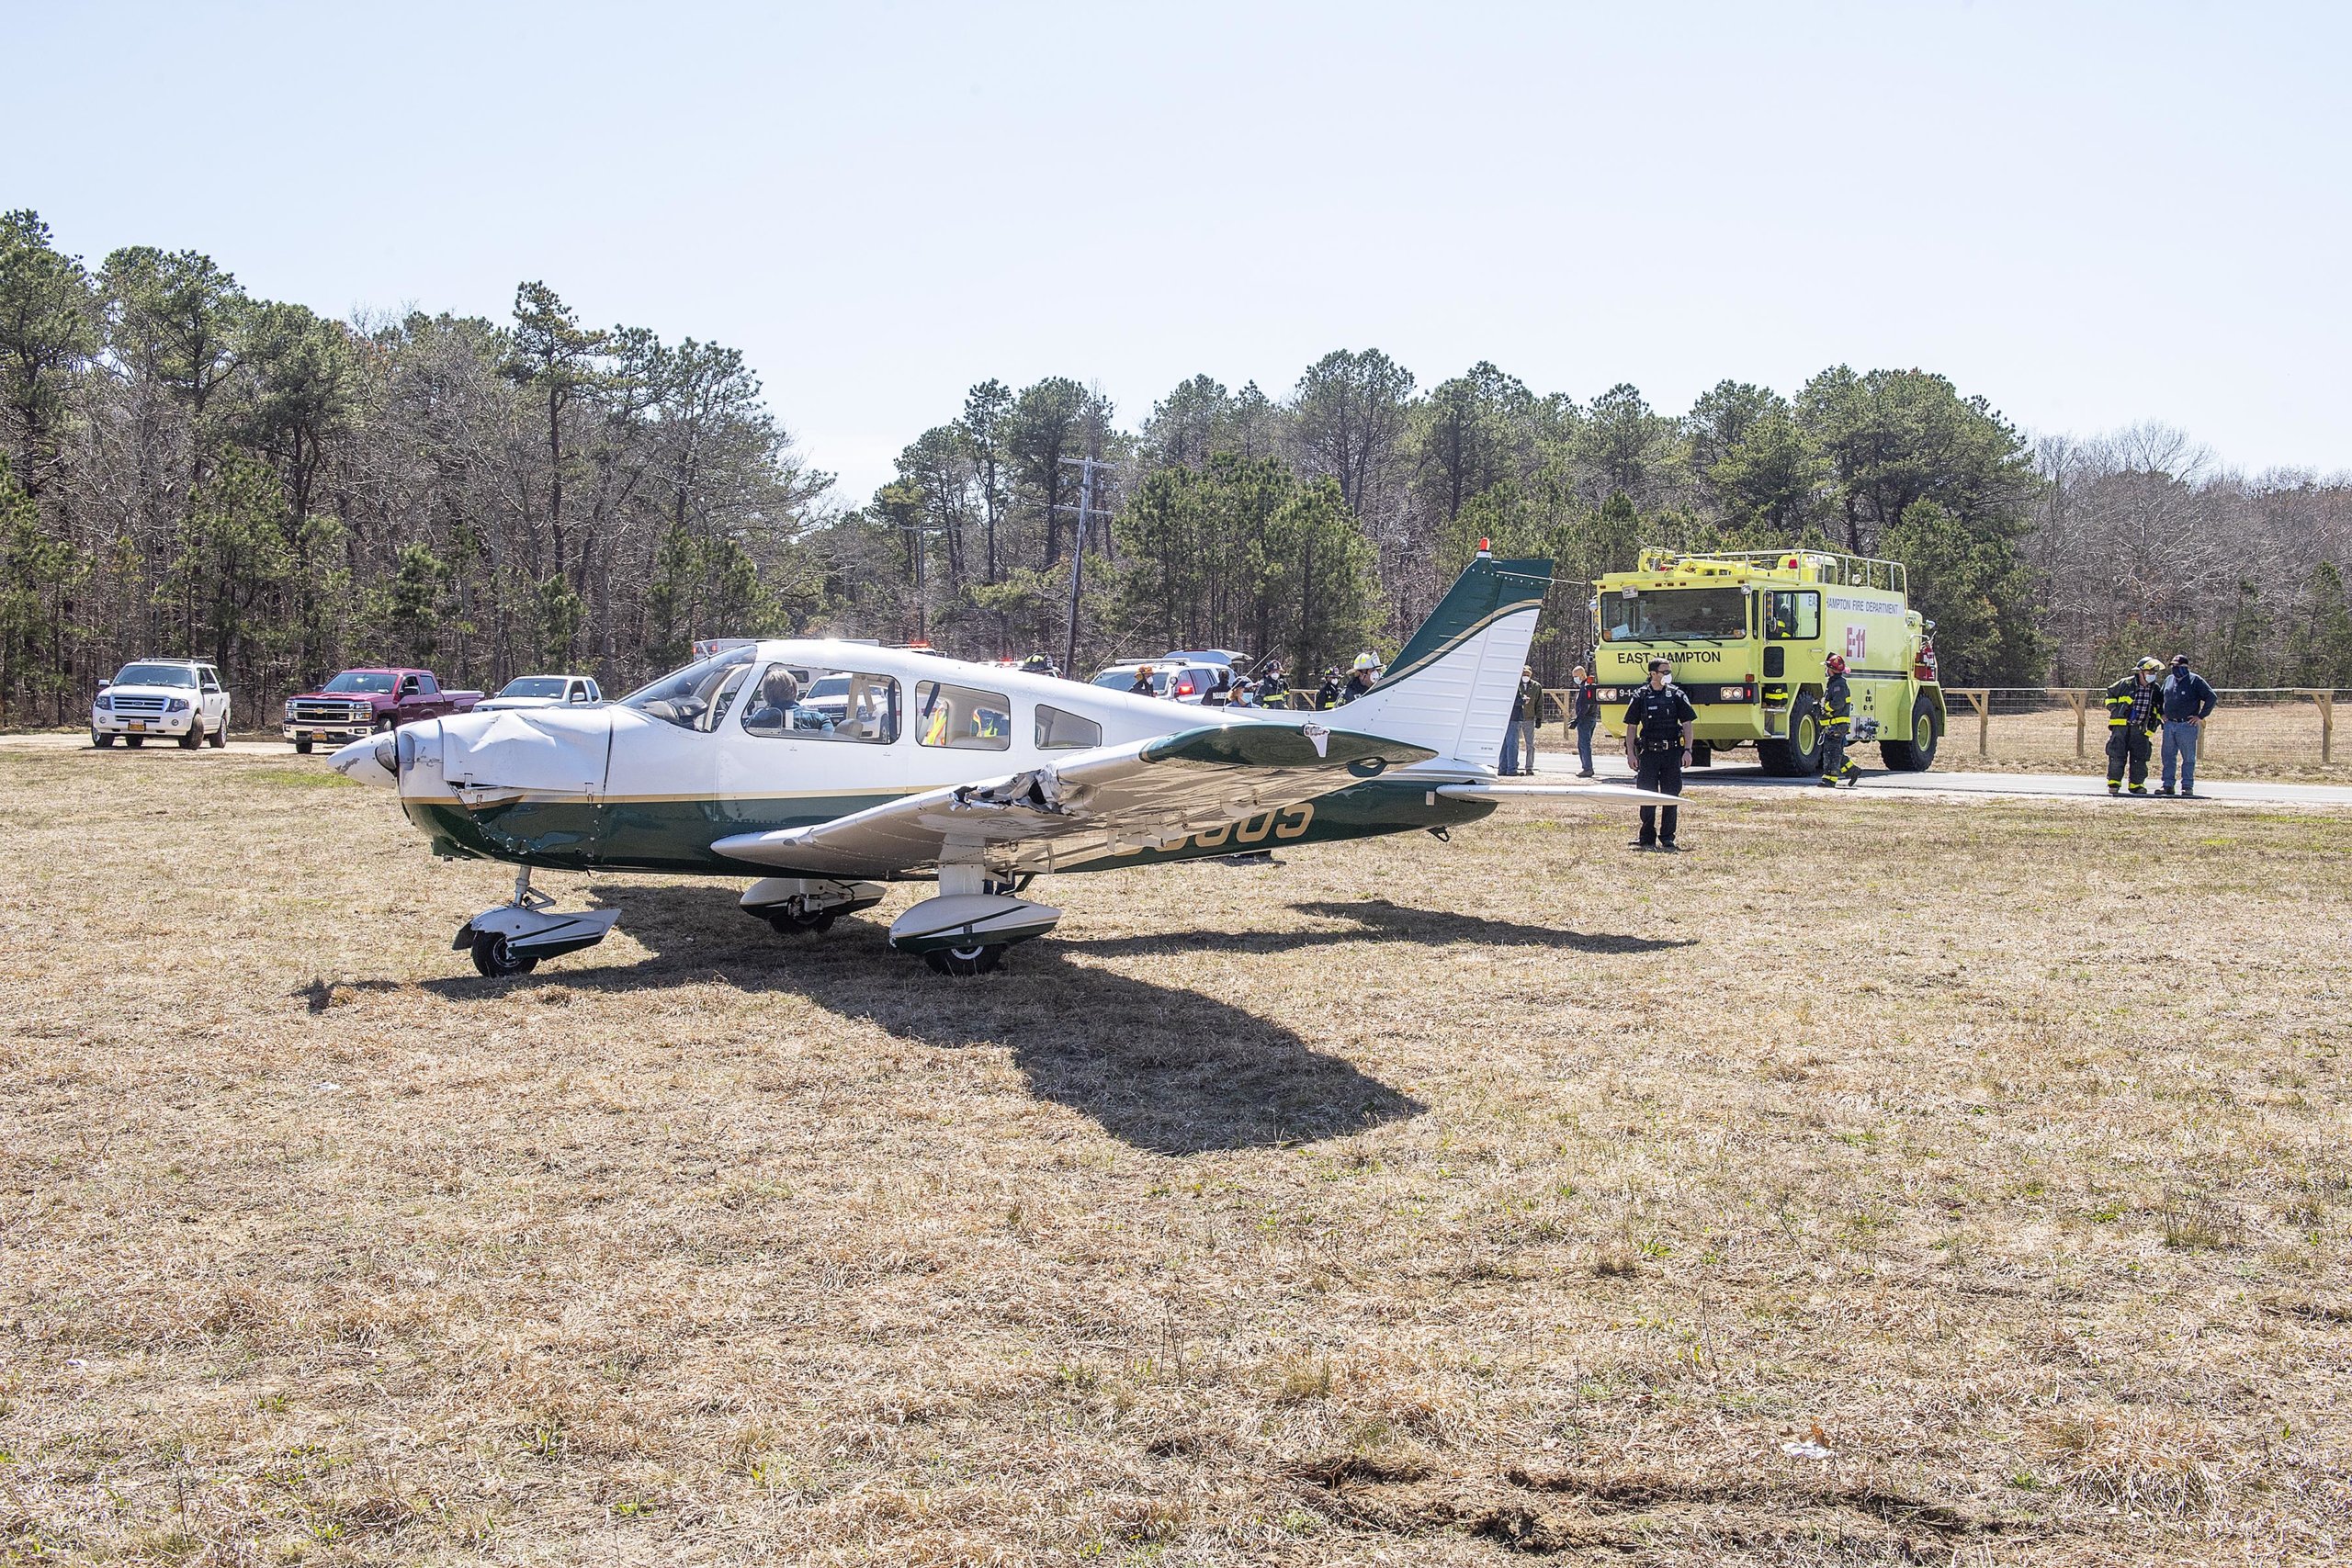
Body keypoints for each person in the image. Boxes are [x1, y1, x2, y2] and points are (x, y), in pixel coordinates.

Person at [1622, 657, 1695, 851]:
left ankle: (1668, 837)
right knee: (1646, 795)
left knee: (1671, 796)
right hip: (1649, 754)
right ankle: (1646, 837)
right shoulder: (1641, 696)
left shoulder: (1676, 695)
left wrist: (1688, 750)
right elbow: (1631, 726)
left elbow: (1687, 724)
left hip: (1672, 754)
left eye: (1669, 671)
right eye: (1664, 672)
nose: (1668, 675)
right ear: (1652, 674)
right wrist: (1631, 753)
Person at [2103, 655, 2165, 796]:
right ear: (2140, 672)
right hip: (2121, 727)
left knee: (2140, 758)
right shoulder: (2125, 684)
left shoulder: (2155, 689)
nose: (2152, 675)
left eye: (2154, 673)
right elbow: (2109, 694)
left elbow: (2158, 708)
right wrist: (2114, 709)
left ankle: (2136, 785)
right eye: (2150, 672)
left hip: (2141, 729)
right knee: (2117, 755)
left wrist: (2152, 726)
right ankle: (2114, 783)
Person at [2155, 652, 2216, 798]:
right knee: (2168, 756)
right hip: (2170, 725)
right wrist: (2161, 713)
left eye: (2178, 666)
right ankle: (2168, 785)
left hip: (2187, 725)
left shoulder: (2195, 681)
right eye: (2173, 666)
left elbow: (2211, 697)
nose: (2175, 669)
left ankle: (2187, 786)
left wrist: (2200, 716)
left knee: (2188, 758)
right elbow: (2159, 698)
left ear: (2185, 667)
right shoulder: (2169, 680)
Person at [1816, 652, 1859, 787]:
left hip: (1837, 726)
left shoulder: (1838, 685)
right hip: (1834, 725)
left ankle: (1829, 780)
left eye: (1828, 668)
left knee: (1831, 753)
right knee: (1835, 751)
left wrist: (1823, 707)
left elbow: (1837, 704)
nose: (1826, 671)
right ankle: (1853, 770)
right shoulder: (1835, 683)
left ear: (1832, 670)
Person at [1498, 665, 1543, 775]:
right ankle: (1511, 768)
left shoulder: (1536, 686)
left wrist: (1539, 718)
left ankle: (1528, 767)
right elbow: (1515, 700)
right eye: (1524, 674)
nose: (1525, 676)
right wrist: (1523, 701)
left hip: (1528, 718)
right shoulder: (1515, 685)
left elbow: (1540, 703)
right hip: (1515, 718)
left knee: (1529, 744)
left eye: (1527, 674)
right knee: (1511, 744)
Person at [1570, 664, 1599, 776]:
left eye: (1575, 676)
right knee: (1582, 744)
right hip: (1590, 718)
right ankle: (1586, 767)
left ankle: (1587, 768)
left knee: (1584, 744)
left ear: (1582, 675)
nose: (1574, 679)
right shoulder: (1587, 686)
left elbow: (1585, 706)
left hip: (1585, 720)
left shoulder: (1586, 687)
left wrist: (1577, 720)